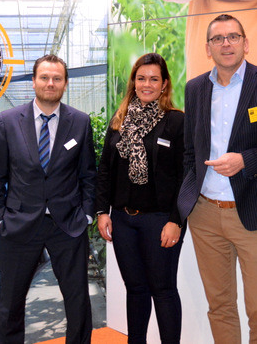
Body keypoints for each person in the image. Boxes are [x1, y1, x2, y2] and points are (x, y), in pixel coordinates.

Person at [177, 14, 257, 343]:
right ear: (207, 48)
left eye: (233, 37)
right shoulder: (195, 88)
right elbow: (190, 151)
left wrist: (245, 160)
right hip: (205, 215)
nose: (226, 44)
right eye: (218, 38)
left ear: (245, 43)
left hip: (253, 213)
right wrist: (186, 201)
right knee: (220, 306)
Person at [0, 54, 96, 344]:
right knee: (10, 304)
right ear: (33, 82)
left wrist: (86, 215)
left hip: (67, 226)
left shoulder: (80, 122)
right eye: (44, 77)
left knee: (78, 301)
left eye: (57, 78)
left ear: (65, 83)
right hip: (19, 225)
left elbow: (88, 175)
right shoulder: (8, 121)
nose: (50, 83)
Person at [95, 53, 185, 344]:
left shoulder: (176, 121)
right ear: (133, 82)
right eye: (141, 78)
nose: (147, 84)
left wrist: (176, 220)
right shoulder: (120, 120)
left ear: (164, 84)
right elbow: (105, 169)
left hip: (160, 221)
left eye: (154, 79)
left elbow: (185, 177)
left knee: (163, 289)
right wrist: (102, 211)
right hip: (123, 220)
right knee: (135, 289)